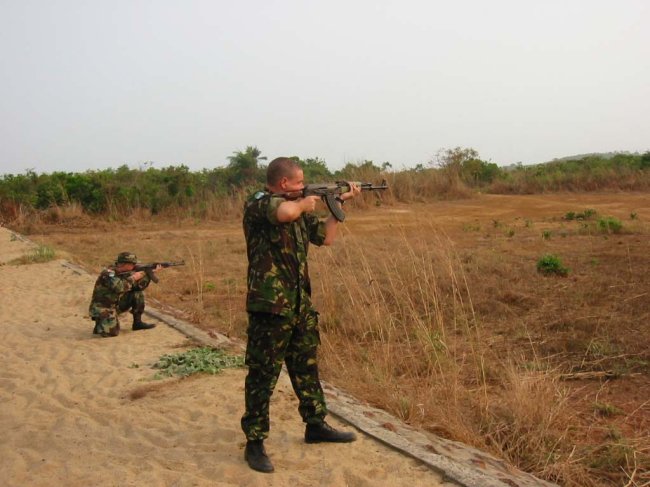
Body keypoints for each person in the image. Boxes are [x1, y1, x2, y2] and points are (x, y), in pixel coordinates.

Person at [241, 157, 361, 473]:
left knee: (306, 367)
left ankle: (315, 424)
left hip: (299, 304)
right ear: (283, 183)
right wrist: (306, 203)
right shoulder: (259, 203)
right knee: (262, 375)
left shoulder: (299, 211)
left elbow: (326, 238)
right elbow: (285, 212)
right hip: (270, 306)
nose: (303, 186)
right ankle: (255, 441)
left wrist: (337, 203)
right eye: (299, 182)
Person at [88, 252, 160, 337]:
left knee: (137, 293)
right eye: (133, 264)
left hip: (115, 304)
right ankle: (101, 322)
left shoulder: (125, 272)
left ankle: (137, 323)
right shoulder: (109, 273)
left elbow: (137, 287)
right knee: (111, 333)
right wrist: (134, 277)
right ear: (125, 264)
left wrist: (147, 274)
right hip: (102, 307)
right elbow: (120, 287)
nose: (134, 266)